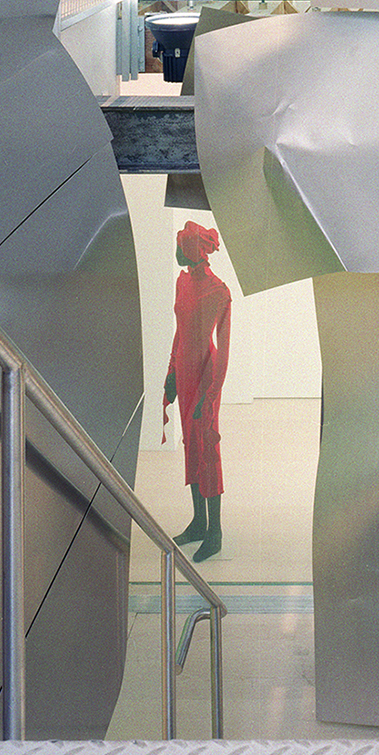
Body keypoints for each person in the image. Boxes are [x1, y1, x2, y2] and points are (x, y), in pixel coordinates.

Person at [162, 219, 232, 561]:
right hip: (186, 374)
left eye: (181, 246)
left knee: (208, 449)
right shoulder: (183, 282)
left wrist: (211, 394)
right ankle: (198, 523)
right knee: (191, 445)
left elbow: (224, 349)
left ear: (193, 250)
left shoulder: (219, 291)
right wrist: (171, 371)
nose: (177, 252)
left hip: (205, 374)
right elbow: (180, 330)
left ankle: (215, 531)